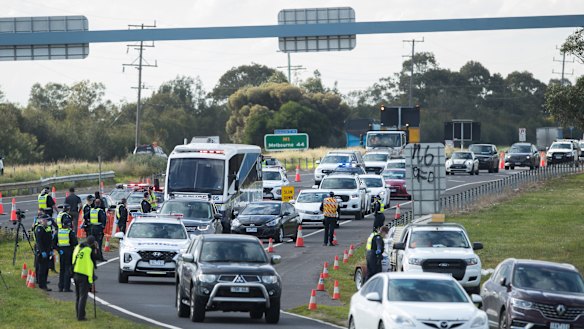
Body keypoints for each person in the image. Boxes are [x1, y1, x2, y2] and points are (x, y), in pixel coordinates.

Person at [73, 236, 97, 321]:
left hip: (76, 273)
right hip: (84, 275)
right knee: (83, 296)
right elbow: (93, 262)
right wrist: (91, 280)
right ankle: (81, 316)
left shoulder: (78, 247)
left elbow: (73, 260)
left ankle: (78, 314)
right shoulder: (89, 251)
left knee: (78, 296)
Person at [54, 217, 78, 292]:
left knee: (62, 269)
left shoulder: (58, 232)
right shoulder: (70, 232)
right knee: (68, 269)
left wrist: (58, 249)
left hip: (61, 251)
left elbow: (53, 243)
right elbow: (75, 243)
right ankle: (66, 287)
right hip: (68, 251)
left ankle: (60, 287)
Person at [34, 215, 53, 291]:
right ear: (42, 220)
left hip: (47, 250)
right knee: (42, 269)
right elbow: (39, 242)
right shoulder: (39, 229)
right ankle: (42, 285)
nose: (47, 222)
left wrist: (51, 249)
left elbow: (49, 240)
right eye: (46, 220)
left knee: (46, 269)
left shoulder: (47, 228)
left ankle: (44, 283)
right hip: (42, 252)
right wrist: (42, 251)